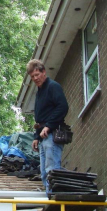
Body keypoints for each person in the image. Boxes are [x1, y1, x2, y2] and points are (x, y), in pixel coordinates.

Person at [27, 59, 69, 194]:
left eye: (37, 74)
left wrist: (49, 126)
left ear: (44, 72)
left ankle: (54, 201)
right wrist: (36, 137)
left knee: (52, 169)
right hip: (43, 136)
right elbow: (40, 117)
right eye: (32, 76)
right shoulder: (39, 92)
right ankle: (49, 199)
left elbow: (63, 107)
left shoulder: (53, 86)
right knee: (44, 172)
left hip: (52, 134)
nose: (35, 78)